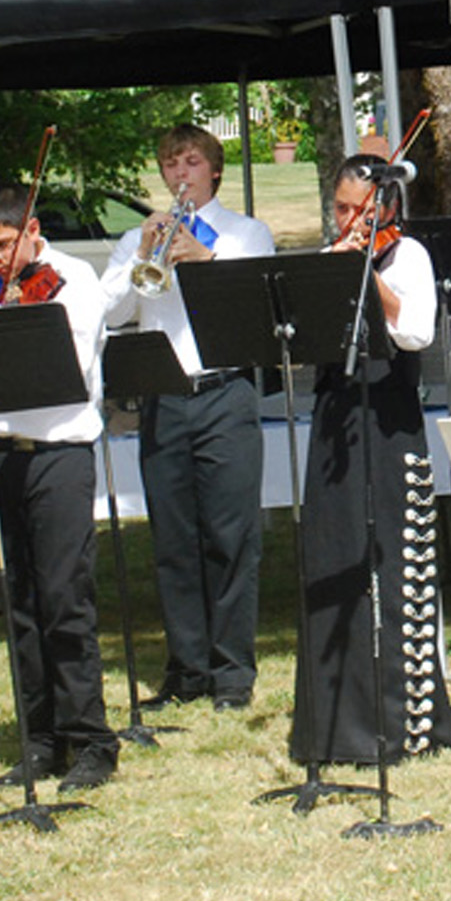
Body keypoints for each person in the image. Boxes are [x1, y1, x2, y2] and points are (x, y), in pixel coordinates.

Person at [101, 124, 274, 712]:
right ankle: (188, 668)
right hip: (163, 396)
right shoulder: (138, 236)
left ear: (214, 171)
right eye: (171, 164)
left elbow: (253, 303)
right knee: (174, 541)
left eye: (192, 162)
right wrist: (143, 257)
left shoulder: (246, 233)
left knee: (231, 537)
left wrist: (204, 258)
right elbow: (109, 312)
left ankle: (232, 674)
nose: (181, 174)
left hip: (226, 392)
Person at [291, 153, 451, 765]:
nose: (348, 218)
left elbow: (416, 331)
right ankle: (334, 724)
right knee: (332, 560)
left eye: (360, 209)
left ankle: (401, 721)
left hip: (388, 421)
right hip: (336, 420)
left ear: (388, 206)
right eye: (338, 207)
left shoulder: (406, 256)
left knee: (390, 565)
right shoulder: (330, 254)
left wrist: (368, 274)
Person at [0, 180, 119, 791]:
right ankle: (40, 739)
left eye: (4, 246)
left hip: (59, 454)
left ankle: (90, 739)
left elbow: (66, 367)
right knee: (20, 599)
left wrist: (10, 320)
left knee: (64, 599)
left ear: (31, 231)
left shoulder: (73, 280)